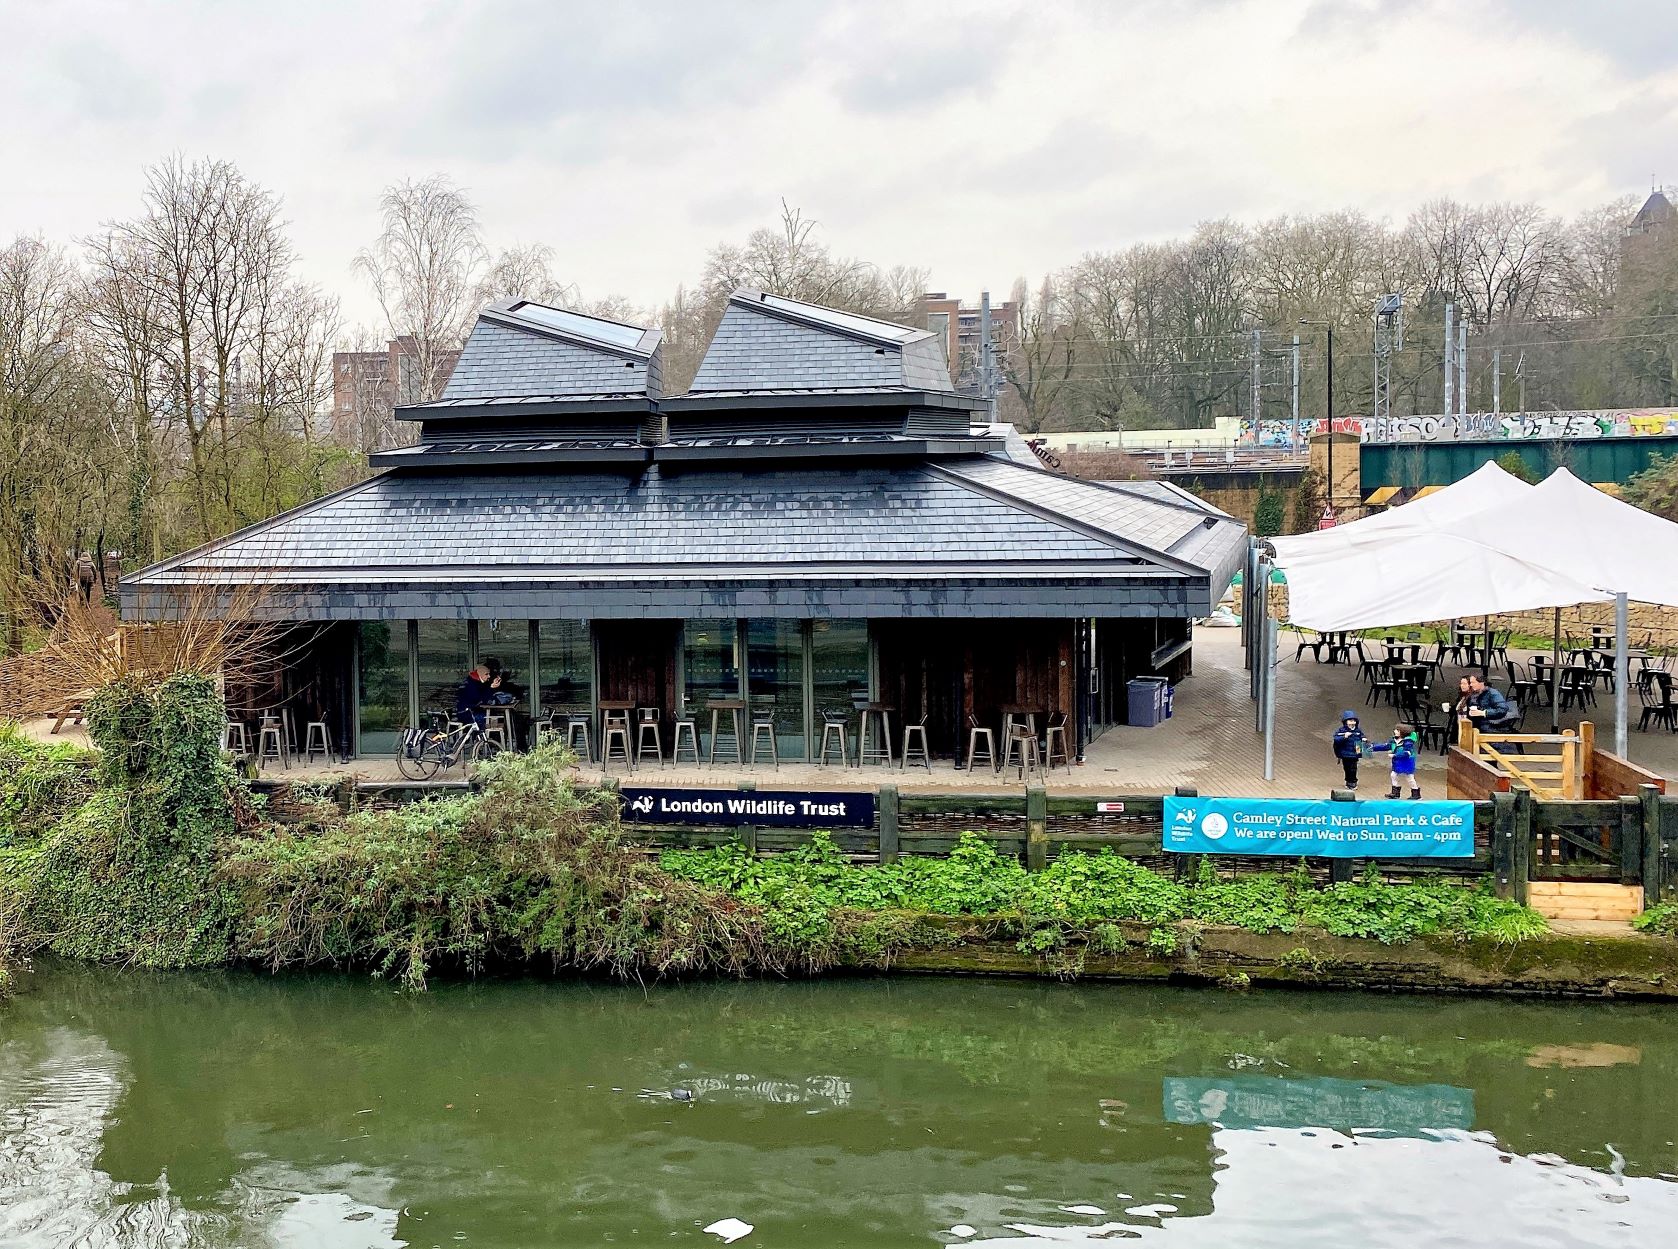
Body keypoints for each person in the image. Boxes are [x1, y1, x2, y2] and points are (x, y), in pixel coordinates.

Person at [1371, 723, 1422, 799]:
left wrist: (1395, 755)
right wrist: (1373, 747)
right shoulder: (1394, 741)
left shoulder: (1408, 743)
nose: (1395, 731)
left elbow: (1407, 753)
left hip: (1407, 763)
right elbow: (1386, 746)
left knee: (1409, 777)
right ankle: (1395, 793)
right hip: (1397, 763)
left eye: (1397, 730)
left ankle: (1416, 793)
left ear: (1403, 732)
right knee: (1394, 775)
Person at [1331, 709, 1367, 789]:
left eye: (1354, 721)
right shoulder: (1341, 731)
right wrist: (1344, 737)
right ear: (1345, 722)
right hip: (1345, 754)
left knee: (1353, 768)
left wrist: (1364, 739)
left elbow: (1361, 736)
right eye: (1350, 721)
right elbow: (1336, 739)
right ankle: (1348, 781)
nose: (1352, 723)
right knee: (1347, 768)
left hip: (1354, 753)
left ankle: (1353, 782)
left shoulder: (1358, 730)